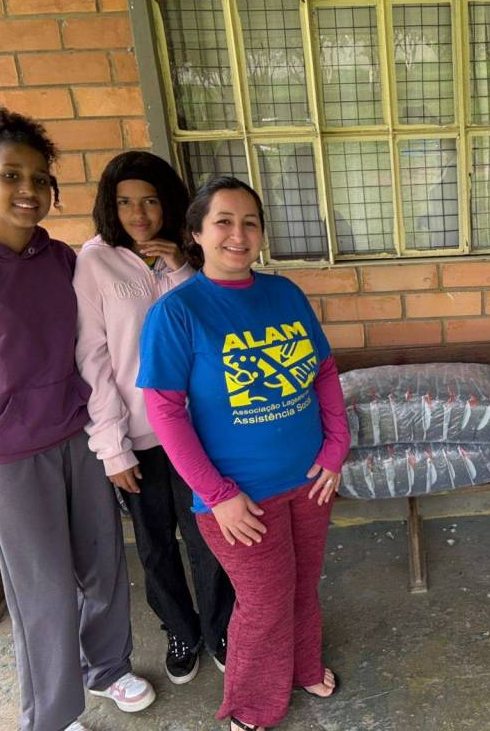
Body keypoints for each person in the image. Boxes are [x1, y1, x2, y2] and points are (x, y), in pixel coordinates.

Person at [0, 104, 155, 731]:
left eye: (39, 179)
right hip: (11, 457)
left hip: (77, 436)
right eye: (11, 176)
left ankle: (107, 668)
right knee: (44, 589)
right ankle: (51, 715)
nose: (27, 190)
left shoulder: (61, 261)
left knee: (103, 564)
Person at [136, 176, 351, 731]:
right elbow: (165, 411)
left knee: (302, 585)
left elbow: (323, 371)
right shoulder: (178, 313)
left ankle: (304, 666)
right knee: (264, 602)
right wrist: (217, 494)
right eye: (224, 222)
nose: (239, 234)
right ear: (196, 233)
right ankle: (252, 706)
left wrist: (336, 448)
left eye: (250, 222)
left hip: (309, 480)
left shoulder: (285, 293)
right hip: (238, 498)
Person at [73, 151, 235, 685]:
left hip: (197, 432)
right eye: (124, 202)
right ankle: (180, 631)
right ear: (110, 206)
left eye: (149, 200)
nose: (138, 214)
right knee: (155, 543)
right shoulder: (95, 261)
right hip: (137, 437)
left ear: (169, 203)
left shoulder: (191, 256)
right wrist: (112, 446)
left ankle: (219, 628)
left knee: (208, 535)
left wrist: (183, 267)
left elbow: (211, 328)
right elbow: (93, 358)